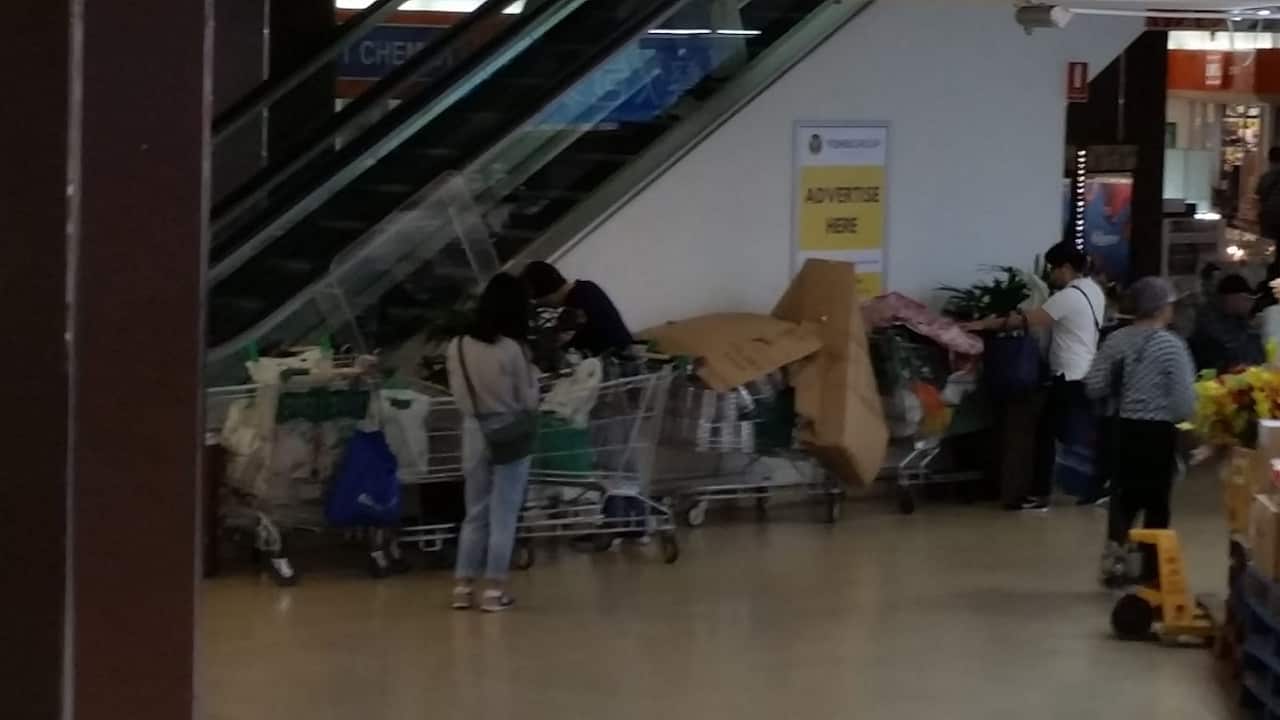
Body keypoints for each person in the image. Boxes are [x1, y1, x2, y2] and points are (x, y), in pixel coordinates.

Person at [966, 241, 1105, 510]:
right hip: (1086, 370)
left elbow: (1029, 320)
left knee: (1046, 433)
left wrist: (984, 323)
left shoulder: (1069, 296)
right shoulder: (1093, 290)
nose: (1051, 275)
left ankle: (1040, 495)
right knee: (1078, 433)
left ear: (1065, 268)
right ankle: (1095, 487)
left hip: (1068, 374)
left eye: (1054, 269)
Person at [1084, 277, 1195, 587]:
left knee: (1122, 499)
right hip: (1157, 433)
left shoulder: (1116, 340)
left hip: (1120, 430)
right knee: (1156, 502)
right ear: (1162, 308)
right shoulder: (1172, 345)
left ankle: (1116, 564)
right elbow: (1185, 403)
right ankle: (1150, 568)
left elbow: (1093, 386)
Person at [446, 273, 539, 612]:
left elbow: (457, 393)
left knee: (475, 512)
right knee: (504, 512)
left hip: (473, 431)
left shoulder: (456, 345)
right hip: (509, 431)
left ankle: (462, 586)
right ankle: (494, 589)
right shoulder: (512, 349)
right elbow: (526, 401)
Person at [521, 261, 634, 356]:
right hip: (627, 352)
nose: (541, 304)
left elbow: (576, 344)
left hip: (619, 362)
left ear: (546, 294)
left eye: (538, 301)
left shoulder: (575, 303)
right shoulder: (587, 287)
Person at [1189, 273, 1265, 373]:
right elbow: (1232, 351)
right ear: (1231, 298)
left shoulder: (1238, 320)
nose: (1250, 304)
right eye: (1246, 299)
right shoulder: (1209, 320)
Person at [1257, 147, 1280, 242]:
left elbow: (1259, 197)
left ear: (1269, 160)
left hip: (1267, 217)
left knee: (1267, 244)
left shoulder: (1265, 177)